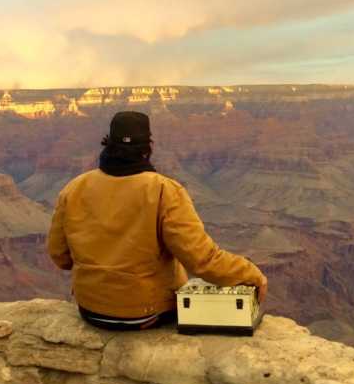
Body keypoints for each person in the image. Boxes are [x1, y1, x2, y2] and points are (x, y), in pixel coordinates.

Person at [47, 111, 268, 330]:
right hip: (145, 313)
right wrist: (250, 274)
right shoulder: (164, 190)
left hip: (91, 309)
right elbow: (201, 259)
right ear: (148, 148)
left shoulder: (74, 188)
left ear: (108, 144)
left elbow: (60, 256)